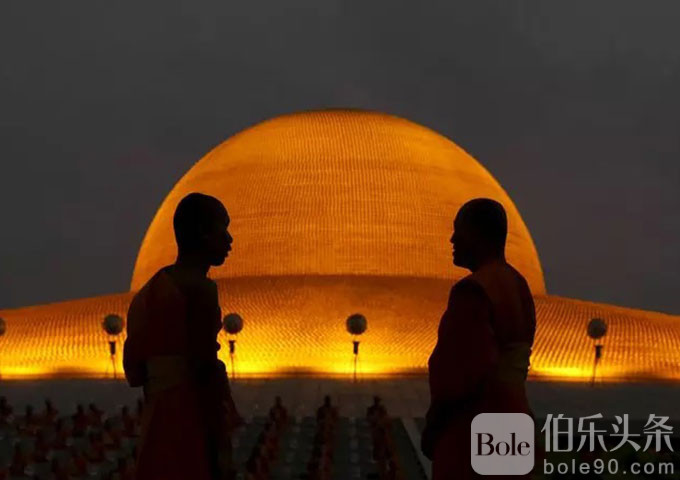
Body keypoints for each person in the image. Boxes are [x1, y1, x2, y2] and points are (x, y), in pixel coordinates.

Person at [123, 192, 243, 480]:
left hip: (157, 419)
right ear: (202, 234)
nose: (229, 240)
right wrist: (220, 447)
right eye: (222, 229)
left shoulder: (147, 295)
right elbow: (204, 367)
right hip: (191, 420)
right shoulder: (200, 289)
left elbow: (134, 373)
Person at [421, 198, 537, 480]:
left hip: (475, 426)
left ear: (478, 234)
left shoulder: (474, 290)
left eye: (458, 230)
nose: (452, 239)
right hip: (515, 421)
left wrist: (434, 425)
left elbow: (463, 372)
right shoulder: (518, 284)